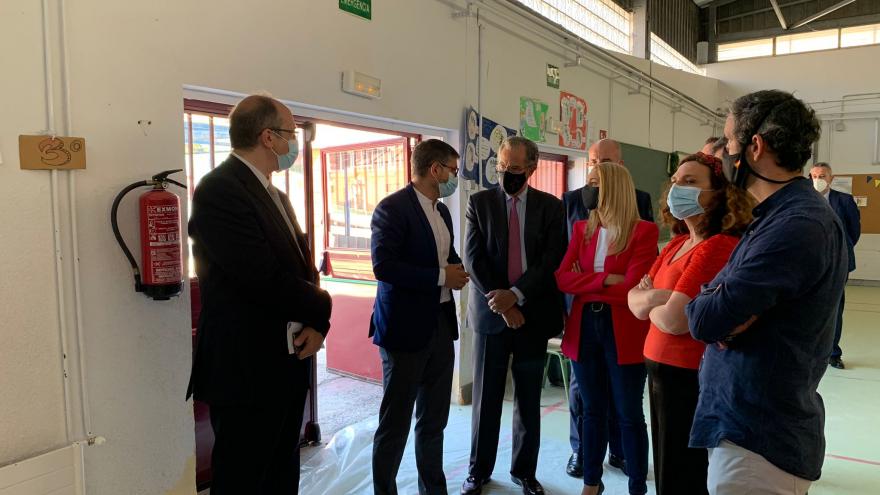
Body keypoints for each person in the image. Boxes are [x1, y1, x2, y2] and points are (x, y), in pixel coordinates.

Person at [687, 90, 848, 495]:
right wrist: (719, 300)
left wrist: (715, 301)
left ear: (754, 146)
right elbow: (717, 305)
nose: (724, 153)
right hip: (745, 428)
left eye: (729, 142)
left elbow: (704, 318)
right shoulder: (773, 216)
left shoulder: (796, 225)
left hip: (760, 442)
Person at [187, 94, 332, 494]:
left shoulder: (275, 194)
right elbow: (261, 278)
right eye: (291, 133)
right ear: (268, 137)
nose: (294, 143)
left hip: (285, 361)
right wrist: (324, 306)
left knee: (282, 473)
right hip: (245, 369)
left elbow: (302, 270)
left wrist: (318, 323)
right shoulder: (220, 190)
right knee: (244, 477)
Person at [627, 152, 753, 495]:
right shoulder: (679, 243)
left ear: (718, 194)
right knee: (667, 468)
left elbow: (676, 320)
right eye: (676, 181)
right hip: (658, 371)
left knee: (683, 474)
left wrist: (653, 299)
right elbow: (633, 303)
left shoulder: (718, 246)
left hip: (687, 376)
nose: (677, 188)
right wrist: (659, 297)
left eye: (691, 182)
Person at [462, 136, 566, 495]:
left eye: (515, 169)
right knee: (486, 399)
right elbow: (473, 260)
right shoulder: (479, 203)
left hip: (532, 317)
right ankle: (478, 471)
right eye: (502, 167)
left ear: (532, 168)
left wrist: (517, 296)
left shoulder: (551, 208)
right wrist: (503, 303)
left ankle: (524, 471)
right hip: (493, 318)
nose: (506, 174)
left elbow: (550, 260)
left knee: (527, 400)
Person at [369, 139, 468, 495]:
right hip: (404, 331)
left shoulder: (441, 212)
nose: (455, 178)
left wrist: (459, 270)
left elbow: (445, 254)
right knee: (394, 425)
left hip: (440, 326)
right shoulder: (391, 209)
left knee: (433, 422)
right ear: (435, 169)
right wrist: (443, 277)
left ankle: (433, 489)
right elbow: (385, 266)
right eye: (453, 171)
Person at [555, 162, 659, 495]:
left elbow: (631, 288)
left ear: (613, 188)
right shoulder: (582, 229)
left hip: (623, 330)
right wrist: (604, 280)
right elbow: (562, 278)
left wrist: (586, 282)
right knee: (591, 409)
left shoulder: (643, 231)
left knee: (628, 413)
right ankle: (591, 481)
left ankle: (637, 486)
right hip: (585, 326)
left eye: (595, 183)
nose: (588, 190)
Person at [809, 162, 861, 369]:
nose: (818, 180)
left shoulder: (844, 200)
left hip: (838, 263)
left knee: (835, 308)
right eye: (813, 176)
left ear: (831, 178)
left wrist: (839, 252)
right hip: (809, 263)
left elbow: (854, 232)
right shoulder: (803, 201)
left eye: (822, 176)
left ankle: (833, 353)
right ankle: (809, 352)